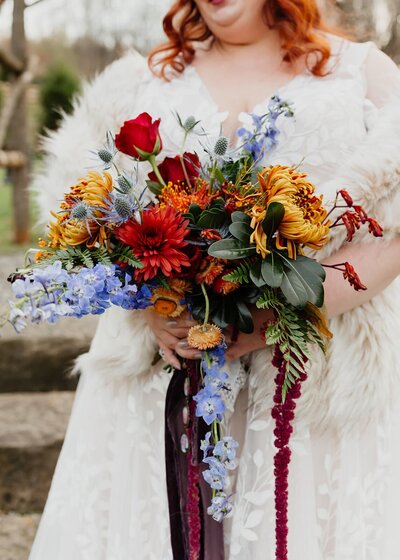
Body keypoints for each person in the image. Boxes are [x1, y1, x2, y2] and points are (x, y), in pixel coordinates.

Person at [29, 0, 400, 558]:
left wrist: (276, 315)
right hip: (164, 374)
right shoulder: (142, 82)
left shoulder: (362, 73)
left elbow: (394, 233)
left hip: (314, 376)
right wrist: (152, 302)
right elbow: (91, 213)